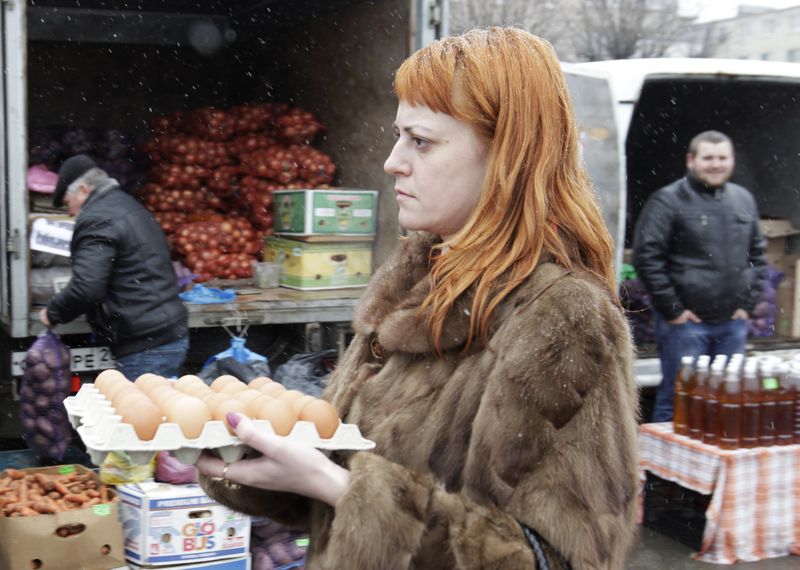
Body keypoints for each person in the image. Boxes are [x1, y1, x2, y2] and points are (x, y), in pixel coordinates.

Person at [196, 28, 639, 569]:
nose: (392, 161)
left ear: (507, 153)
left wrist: (341, 488)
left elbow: (559, 560)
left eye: (421, 140)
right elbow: (343, 474)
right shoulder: (414, 280)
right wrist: (251, 458)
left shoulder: (561, 316)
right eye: (398, 135)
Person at [633, 131, 767, 423]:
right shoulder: (668, 200)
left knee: (727, 400)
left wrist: (747, 303)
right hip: (685, 327)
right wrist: (674, 311)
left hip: (732, 324)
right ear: (691, 160)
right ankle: (663, 469)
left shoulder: (742, 199)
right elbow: (647, 257)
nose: (716, 164)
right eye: (708, 158)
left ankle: (713, 466)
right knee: (680, 399)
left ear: (731, 161)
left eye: (722, 158)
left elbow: (757, 256)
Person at [40, 154, 189, 380]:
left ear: (83, 190)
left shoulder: (97, 219)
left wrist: (53, 312)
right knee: (161, 410)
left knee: (142, 413)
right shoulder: (126, 204)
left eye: (68, 203)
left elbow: (87, 288)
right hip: (165, 332)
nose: (70, 213)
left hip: (145, 344)